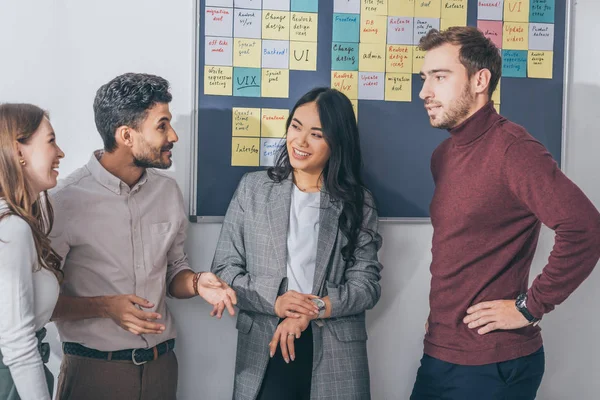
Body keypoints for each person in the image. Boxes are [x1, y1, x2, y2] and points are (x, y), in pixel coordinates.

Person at [411, 26, 600, 400]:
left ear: (480, 79)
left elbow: (585, 228)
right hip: (440, 351)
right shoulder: (443, 156)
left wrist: (530, 307)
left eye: (439, 77)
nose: (424, 92)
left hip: (492, 364)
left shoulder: (513, 149)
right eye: (424, 78)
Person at [49, 73, 237, 400]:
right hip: (93, 373)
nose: (174, 135)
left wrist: (197, 282)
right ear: (126, 135)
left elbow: (174, 271)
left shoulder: (167, 192)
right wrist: (105, 307)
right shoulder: (64, 201)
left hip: (161, 369)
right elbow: (39, 306)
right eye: (162, 125)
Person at [212, 87, 383, 400]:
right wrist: (276, 302)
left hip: (335, 348)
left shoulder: (359, 202)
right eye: (295, 126)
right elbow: (224, 270)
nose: (300, 142)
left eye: (316, 134)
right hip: (266, 342)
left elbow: (367, 286)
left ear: (337, 142)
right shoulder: (253, 189)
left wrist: (313, 309)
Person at [0, 103, 65, 399]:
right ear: (19, 152)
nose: (60, 152)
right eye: (51, 141)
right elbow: (18, 344)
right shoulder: (11, 229)